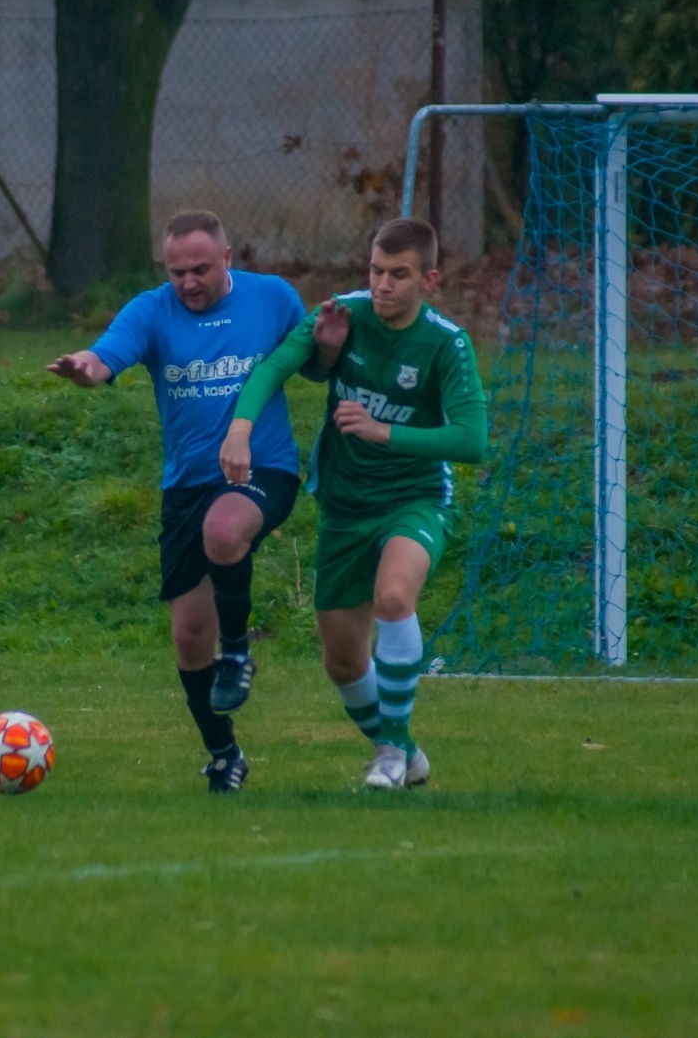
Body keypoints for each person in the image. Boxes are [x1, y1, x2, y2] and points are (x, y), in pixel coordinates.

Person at [222, 217, 487, 789]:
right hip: (344, 504)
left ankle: (389, 753)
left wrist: (382, 431)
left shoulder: (446, 343)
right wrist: (240, 429)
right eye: (375, 270)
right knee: (342, 661)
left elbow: (472, 440)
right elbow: (274, 367)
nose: (382, 285)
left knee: (394, 597)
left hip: (415, 498)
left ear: (429, 280)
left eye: (399, 274)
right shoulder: (341, 315)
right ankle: (405, 753)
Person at [48, 211, 308, 792]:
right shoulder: (152, 310)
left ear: (228, 258)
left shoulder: (273, 299)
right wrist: (85, 368)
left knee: (224, 529)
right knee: (190, 637)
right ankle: (223, 753)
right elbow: (107, 355)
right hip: (187, 485)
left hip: (263, 467)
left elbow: (313, 361)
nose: (188, 282)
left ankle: (238, 652)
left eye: (200, 270)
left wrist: (333, 345)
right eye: (177, 272)